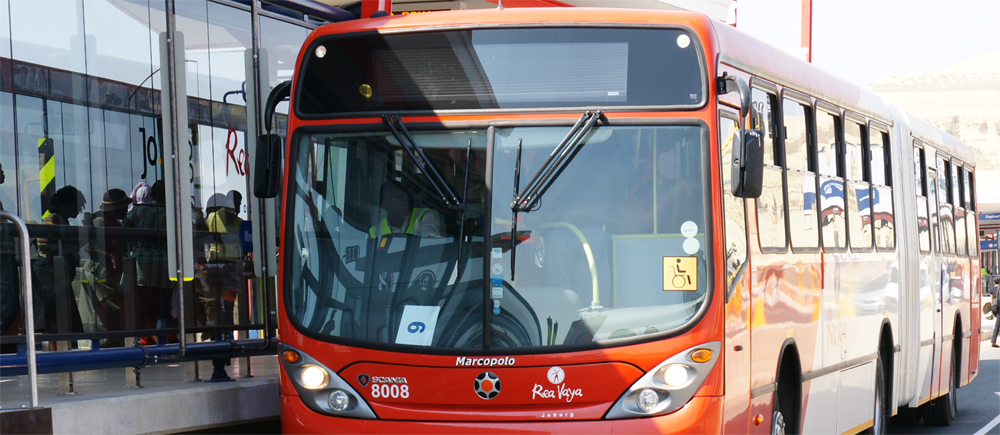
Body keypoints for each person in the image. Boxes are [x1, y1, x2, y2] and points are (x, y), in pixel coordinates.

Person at [33, 185, 86, 335]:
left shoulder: (60, 220)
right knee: (57, 320)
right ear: (67, 205)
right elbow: (43, 244)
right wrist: (67, 252)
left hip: (55, 274)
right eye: (77, 205)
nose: (79, 209)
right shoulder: (54, 219)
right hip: (50, 275)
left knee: (58, 321)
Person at [123, 180, 171, 343]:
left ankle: (137, 341)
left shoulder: (139, 210)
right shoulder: (172, 212)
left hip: (141, 265)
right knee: (163, 306)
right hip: (166, 265)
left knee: (140, 306)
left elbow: (125, 230)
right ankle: (162, 341)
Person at [80, 189, 131, 335]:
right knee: (105, 312)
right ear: (116, 208)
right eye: (124, 206)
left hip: (111, 273)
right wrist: (109, 253)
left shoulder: (115, 223)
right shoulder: (100, 221)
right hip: (98, 272)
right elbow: (87, 245)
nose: (126, 210)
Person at [368, 180, 442, 239]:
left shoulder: (425, 216)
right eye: (395, 198)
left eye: (404, 197)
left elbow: (430, 242)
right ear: (383, 204)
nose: (401, 202)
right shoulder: (375, 231)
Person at [990, 276, 1000, 348]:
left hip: (994, 307)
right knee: (997, 324)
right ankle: (993, 340)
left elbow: (992, 300)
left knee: (998, 323)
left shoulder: (992, 289)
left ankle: (994, 340)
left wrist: (992, 310)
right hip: (999, 307)